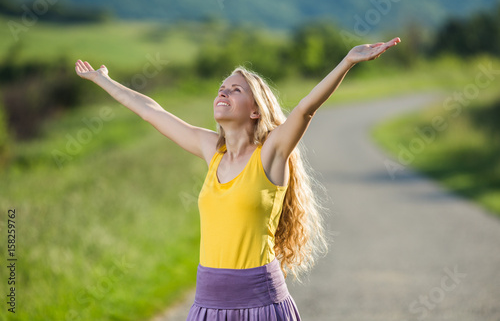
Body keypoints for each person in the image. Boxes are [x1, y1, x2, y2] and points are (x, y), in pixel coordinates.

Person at [75, 36, 400, 321]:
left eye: (236, 89)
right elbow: (151, 110)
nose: (223, 91)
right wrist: (103, 79)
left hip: (260, 306)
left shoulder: (271, 153)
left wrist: (347, 61)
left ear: (255, 110)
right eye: (222, 88)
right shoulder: (210, 149)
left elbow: (305, 109)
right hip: (208, 305)